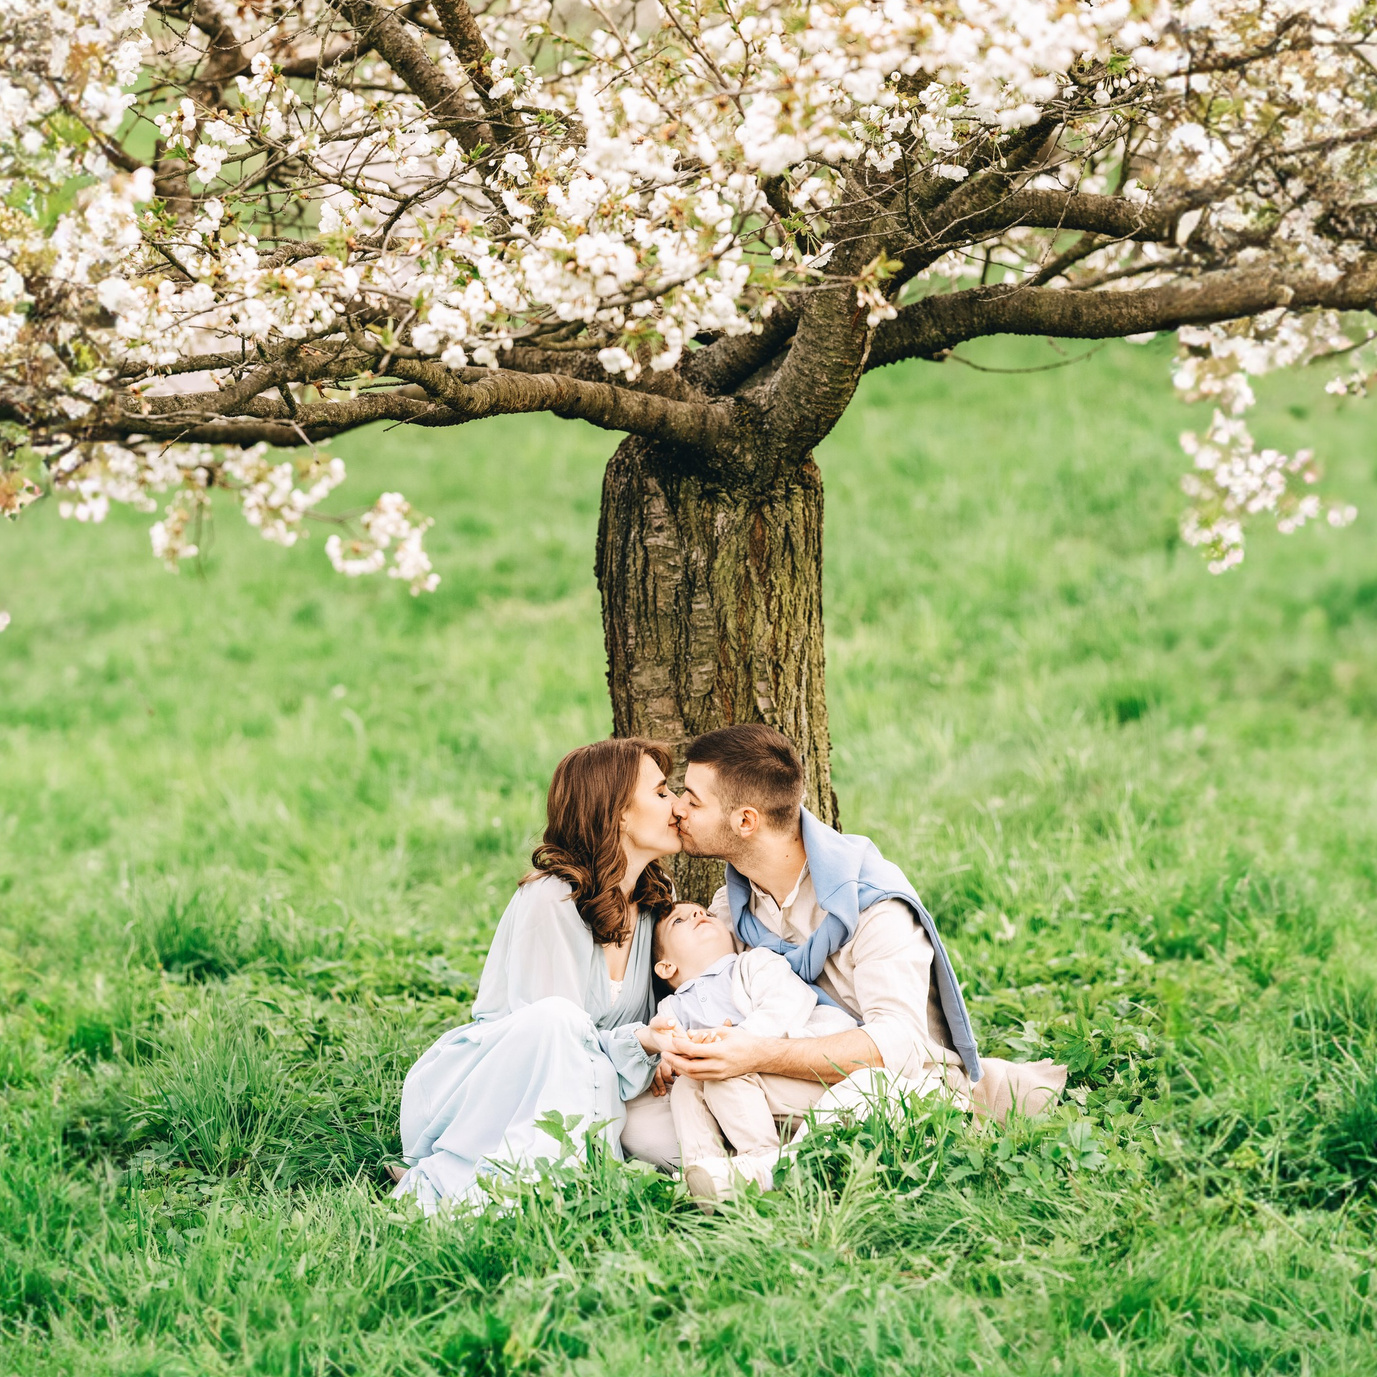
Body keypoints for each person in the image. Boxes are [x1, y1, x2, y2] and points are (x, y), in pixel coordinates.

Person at [620, 724, 1067, 1172]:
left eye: (693, 799)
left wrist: (757, 1052)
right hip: (776, 1080)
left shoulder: (873, 905)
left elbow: (899, 1043)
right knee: (640, 1121)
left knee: (867, 1097)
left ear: (746, 821)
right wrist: (679, 1048)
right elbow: (712, 987)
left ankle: (767, 1171)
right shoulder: (733, 905)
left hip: (890, 1082)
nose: (677, 808)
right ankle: (754, 1160)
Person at [391, 737, 682, 1211]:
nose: (677, 805)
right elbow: (558, 1049)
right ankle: (460, 1185)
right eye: (662, 792)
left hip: (604, 1082)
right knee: (559, 1021)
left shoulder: (654, 897)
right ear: (619, 814)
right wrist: (641, 1046)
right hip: (502, 1088)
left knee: (676, 1147)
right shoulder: (552, 899)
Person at [650, 899, 858, 1203]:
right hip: (746, 1093)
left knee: (724, 1074)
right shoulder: (671, 1008)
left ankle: (763, 1165)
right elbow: (665, 1042)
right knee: (686, 1087)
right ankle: (704, 1171)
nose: (698, 913)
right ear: (667, 966)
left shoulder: (752, 963)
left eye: (705, 913)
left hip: (803, 1077)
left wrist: (738, 1041)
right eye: (679, 921)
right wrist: (665, 1060)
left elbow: (788, 1001)